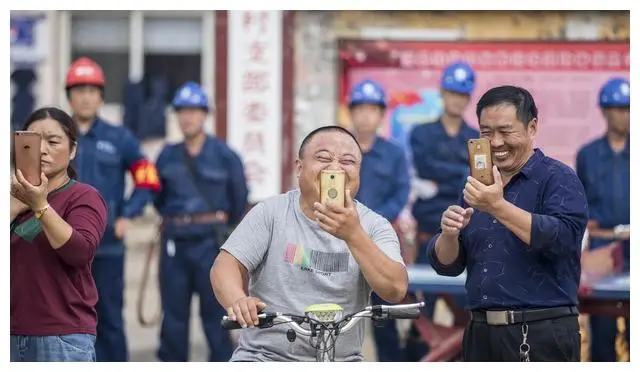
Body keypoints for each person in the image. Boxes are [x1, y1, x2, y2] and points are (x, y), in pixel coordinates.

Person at [210, 125, 408, 362]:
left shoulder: (374, 225)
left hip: (342, 359)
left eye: (348, 162)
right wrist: (238, 300)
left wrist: (354, 234)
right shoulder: (271, 212)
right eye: (323, 158)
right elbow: (225, 265)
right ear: (299, 167)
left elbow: (395, 289)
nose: (335, 168)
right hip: (263, 356)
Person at [427, 85, 588, 362]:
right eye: (486, 133)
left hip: (539, 333)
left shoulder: (558, 178)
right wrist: (449, 235)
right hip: (480, 332)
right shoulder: (478, 182)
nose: (496, 142)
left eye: (506, 131)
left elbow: (562, 240)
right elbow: (449, 265)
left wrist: (498, 207)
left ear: (532, 127)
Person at [65, 57, 161, 362]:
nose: (85, 96)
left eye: (91, 90)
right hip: (60, 244)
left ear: (101, 97)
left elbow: (147, 177)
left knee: (108, 319)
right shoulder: (56, 134)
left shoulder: (119, 138)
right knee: (63, 320)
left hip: (106, 247)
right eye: (79, 90)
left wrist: (128, 214)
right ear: (69, 95)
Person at [153, 82, 248, 362]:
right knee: (173, 318)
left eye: (194, 111)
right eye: (182, 111)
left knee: (217, 318)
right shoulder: (167, 155)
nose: (188, 117)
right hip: (175, 245)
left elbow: (238, 198)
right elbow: (158, 198)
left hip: (212, 245)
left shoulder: (225, 156)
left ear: (205, 115)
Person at [10, 107, 108, 362]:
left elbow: (80, 251)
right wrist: (10, 210)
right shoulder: (10, 200)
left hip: (62, 337)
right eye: (32, 142)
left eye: (53, 142)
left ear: (73, 150)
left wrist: (40, 206)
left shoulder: (83, 196)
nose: (42, 150)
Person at [406, 61, 478, 358]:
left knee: (468, 315)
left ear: (469, 97)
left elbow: (474, 175)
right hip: (427, 236)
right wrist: (461, 172)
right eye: (452, 92)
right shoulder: (421, 134)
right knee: (421, 315)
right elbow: (426, 166)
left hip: (464, 237)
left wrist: (447, 175)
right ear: (442, 93)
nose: (457, 99)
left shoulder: (476, 138)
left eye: (463, 94)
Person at [347, 79, 410, 362]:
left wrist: (373, 223)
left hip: (380, 244)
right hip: (342, 244)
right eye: (360, 109)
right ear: (351, 112)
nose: (366, 116)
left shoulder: (394, 153)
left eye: (372, 109)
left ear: (381, 114)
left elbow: (401, 192)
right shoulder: (341, 151)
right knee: (340, 319)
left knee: (384, 320)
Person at [576, 77, 630, 362]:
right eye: (619, 109)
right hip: (604, 252)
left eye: (629, 109)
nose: (625, 115)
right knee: (603, 329)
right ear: (605, 112)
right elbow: (579, 203)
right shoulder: (588, 155)